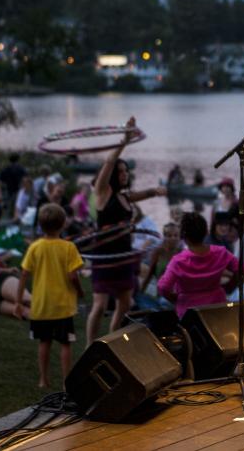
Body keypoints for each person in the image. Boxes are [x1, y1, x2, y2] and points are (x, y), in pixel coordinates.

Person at [86, 116, 166, 344]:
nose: (125, 174)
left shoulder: (124, 197)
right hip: (105, 256)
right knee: (99, 305)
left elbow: (147, 193)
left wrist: (157, 191)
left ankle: (110, 341)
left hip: (123, 257)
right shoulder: (103, 193)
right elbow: (109, 162)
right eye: (121, 172)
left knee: (125, 303)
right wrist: (125, 140)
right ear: (112, 175)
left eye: (126, 172)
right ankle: (90, 346)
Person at [15, 203, 84, 389]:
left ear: (40, 225)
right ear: (63, 224)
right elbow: (73, 275)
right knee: (65, 344)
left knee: (44, 342)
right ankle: (66, 382)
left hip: (41, 306)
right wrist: (80, 291)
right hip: (63, 307)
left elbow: (23, 274)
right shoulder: (69, 247)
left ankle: (43, 379)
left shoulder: (35, 247)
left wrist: (18, 301)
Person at [158, 212, 239, 318]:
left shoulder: (178, 261)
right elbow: (241, 269)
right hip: (217, 309)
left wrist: (176, 299)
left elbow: (163, 287)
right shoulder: (220, 252)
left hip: (189, 314)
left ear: (183, 235)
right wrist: (230, 287)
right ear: (206, 232)